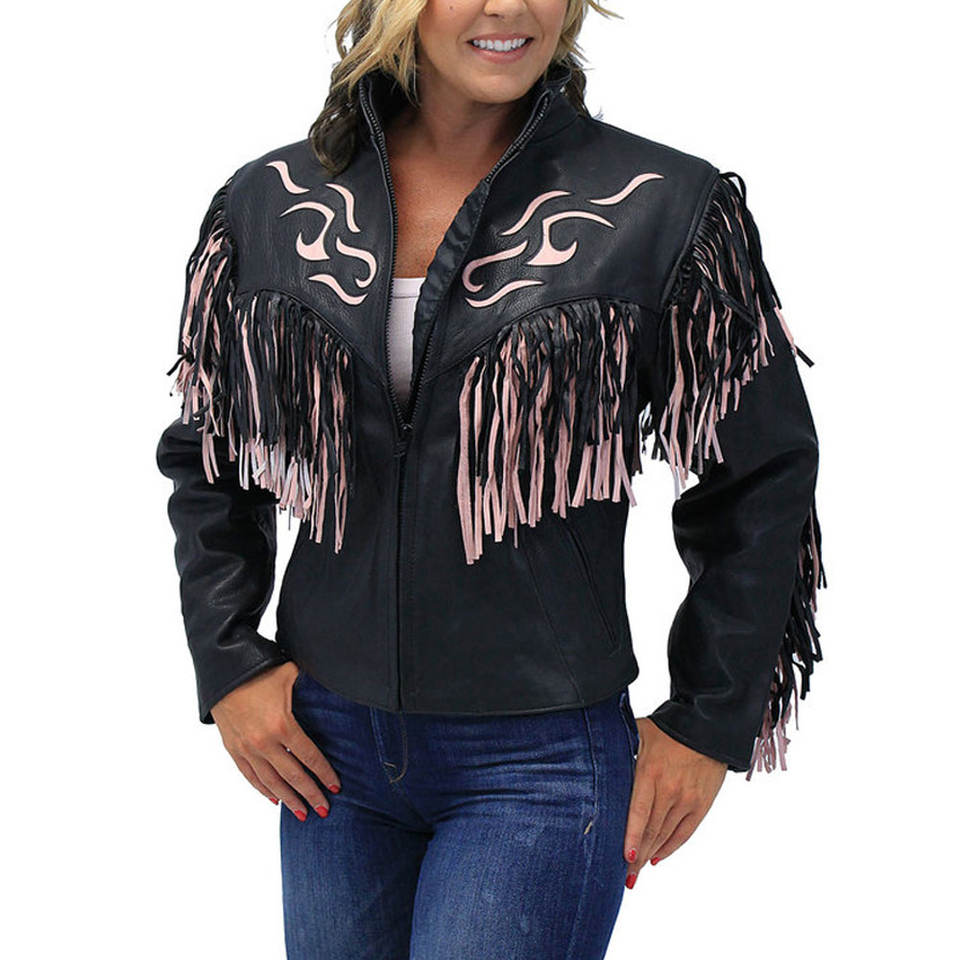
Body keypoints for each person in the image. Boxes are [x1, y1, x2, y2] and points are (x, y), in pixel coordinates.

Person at [156, 1, 826, 957]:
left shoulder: (662, 205)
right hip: (329, 750)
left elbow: (760, 479)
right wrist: (229, 662)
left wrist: (708, 720)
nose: (508, 6)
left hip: (539, 763)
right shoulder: (272, 199)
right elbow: (211, 451)